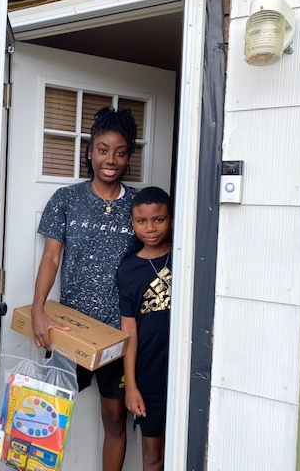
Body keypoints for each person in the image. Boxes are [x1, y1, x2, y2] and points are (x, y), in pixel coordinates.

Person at [31, 106, 140, 471]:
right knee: (48, 410)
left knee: (114, 419)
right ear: (90, 152)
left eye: (120, 151)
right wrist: (38, 312)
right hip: (69, 330)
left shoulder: (138, 206)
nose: (111, 159)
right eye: (103, 149)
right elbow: (51, 259)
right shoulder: (66, 199)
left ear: (129, 157)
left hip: (116, 334)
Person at [117, 186, 173, 471]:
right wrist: (131, 386)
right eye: (142, 221)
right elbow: (129, 333)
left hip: (182, 372)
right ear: (133, 223)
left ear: (171, 219)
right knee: (152, 454)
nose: (150, 228)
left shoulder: (185, 259)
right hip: (148, 374)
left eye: (158, 219)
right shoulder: (128, 270)